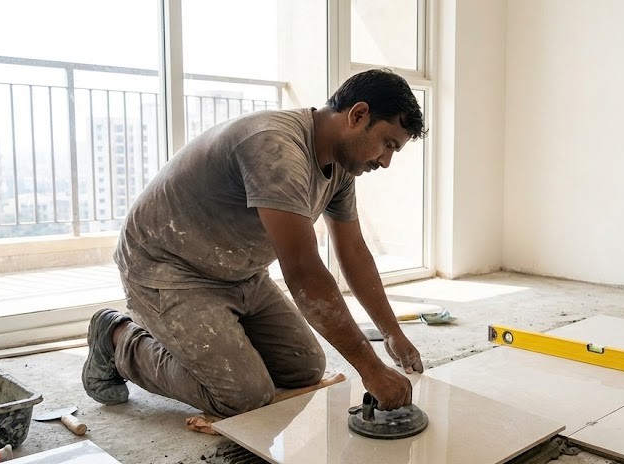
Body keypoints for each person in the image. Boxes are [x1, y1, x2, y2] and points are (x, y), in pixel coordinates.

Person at [82, 69, 427, 419]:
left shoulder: (340, 167)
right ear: (358, 115)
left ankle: (220, 337)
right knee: (243, 396)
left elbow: (352, 251)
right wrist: (371, 369)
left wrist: (391, 333)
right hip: (168, 267)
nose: (385, 161)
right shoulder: (274, 147)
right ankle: (117, 337)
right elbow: (304, 273)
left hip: (239, 272)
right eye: (388, 144)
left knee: (304, 367)